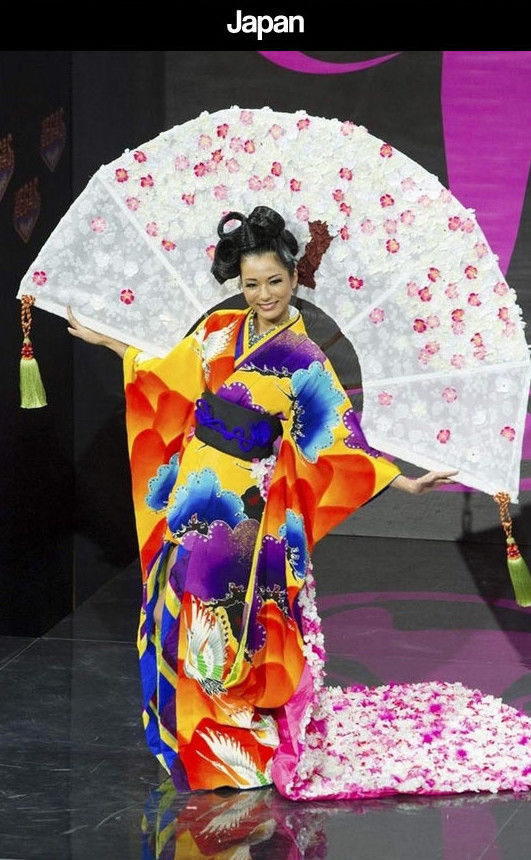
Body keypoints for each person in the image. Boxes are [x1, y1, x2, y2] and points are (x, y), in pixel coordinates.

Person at [66, 205, 531, 801]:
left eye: (275, 282)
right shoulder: (219, 332)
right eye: (251, 283)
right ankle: (192, 733)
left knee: (227, 613)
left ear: (295, 277)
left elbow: (338, 438)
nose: (263, 294)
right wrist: (106, 338)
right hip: (193, 486)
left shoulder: (305, 358)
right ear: (239, 283)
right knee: (184, 605)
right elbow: (164, 374)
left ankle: (238, 743)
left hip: (246, 506)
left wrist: (404, 483)